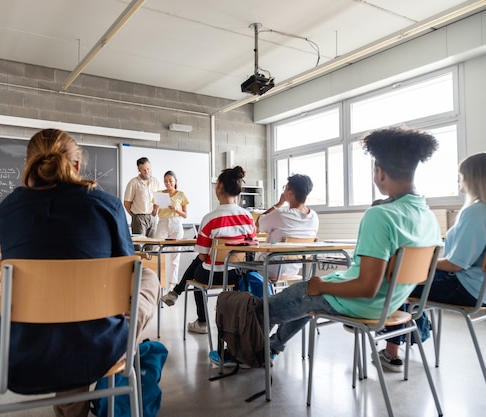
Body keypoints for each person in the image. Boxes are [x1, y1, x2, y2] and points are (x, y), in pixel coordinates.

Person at [208, 128, 442, 366]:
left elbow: (368, 287)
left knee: (266, 308)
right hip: (391, 303)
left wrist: (323, 285)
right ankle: (271, 348)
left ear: (380, 173)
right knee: (305, 294)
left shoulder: (381, 215)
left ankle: (244, 354)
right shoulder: (428, 217)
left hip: (363, 303)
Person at [0, 129, 159, 417]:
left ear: (29, 164)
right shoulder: (106, 204)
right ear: (77, 165)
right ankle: (125, 344)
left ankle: (71, 404)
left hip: (22, 344)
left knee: (60, 313)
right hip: (97, 339)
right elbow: (128, 268)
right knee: (147, 276)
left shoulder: (6, 211)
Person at [379, 152, 486, 372]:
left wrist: (425, 263)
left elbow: (456, 264)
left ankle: (393, 351)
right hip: (480, 289)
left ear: (473, 178)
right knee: (412, 279)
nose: (460, 181)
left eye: (462, 176)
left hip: (465, 288)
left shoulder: (476, 212)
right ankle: (416, 331)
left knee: (399, 278)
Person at [160, 166, 256, 334]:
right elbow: (251, 250)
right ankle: (175, 293)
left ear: (218, 186)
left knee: (198, 271)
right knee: (199, 265)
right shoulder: (248, 217)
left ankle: (202, 321)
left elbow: (203, 256)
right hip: (238, 274)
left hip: (214, 274)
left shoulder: (210, 218)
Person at [256, 173, 319, 280]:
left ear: (290, 193)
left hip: (269, 267)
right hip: (294, 268)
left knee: (241, 265)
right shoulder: (314, 217)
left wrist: (278, 204)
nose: (283, 191)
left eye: (285, 188)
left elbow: (258, 224)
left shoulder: (281, 214)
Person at [152, 170, 190, 290]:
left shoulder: (181, 195)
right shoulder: (159, 194)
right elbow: (153, 214)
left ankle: (172, 285)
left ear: (175, 181)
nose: (167, 183)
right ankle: (157, 282)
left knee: (175, 255)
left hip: (176, 223)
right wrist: (155, 208)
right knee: (156, 250)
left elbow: (185, 215)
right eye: (165, 181)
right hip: (162, 222)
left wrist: (175, 209)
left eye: (170, 181)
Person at [124, 157, 160, 237]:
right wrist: (134, 215)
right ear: (139, 170)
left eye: (148, 169)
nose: (147, 172)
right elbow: (127, 203)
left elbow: (157, 200)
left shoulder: (155, 182)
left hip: (153, 217)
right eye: (144, 170)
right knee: (139, 246)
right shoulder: (133, 182)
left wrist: (155, 211)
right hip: (139, 217)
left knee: (151, 246)